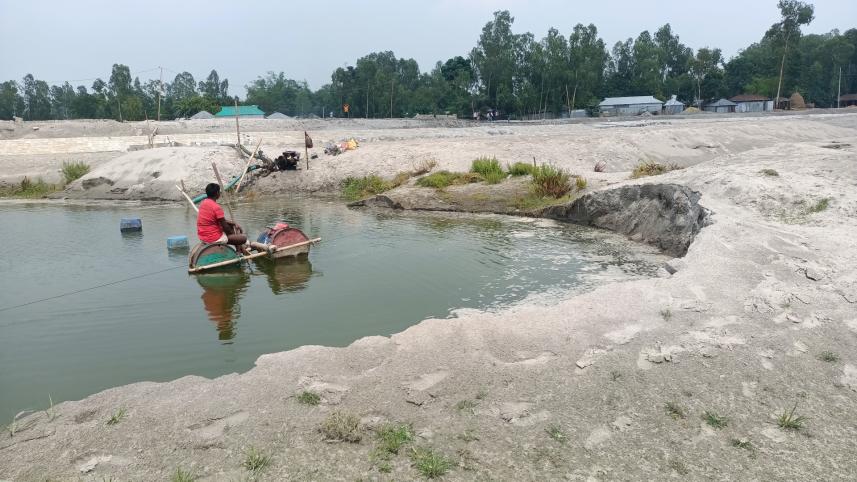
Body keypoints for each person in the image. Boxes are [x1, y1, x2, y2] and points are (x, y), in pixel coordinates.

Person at [197, 183, 247, 249]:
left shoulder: (203, 203)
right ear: (217, 193)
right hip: (214, 239)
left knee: (230, 226)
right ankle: (238, 249)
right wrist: (234, 235)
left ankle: (238, 247)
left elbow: (219, 220)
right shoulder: (216, 207)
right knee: (243, 238)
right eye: (219, 191)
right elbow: (225, 226)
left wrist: (233, 223)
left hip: (202, 237)